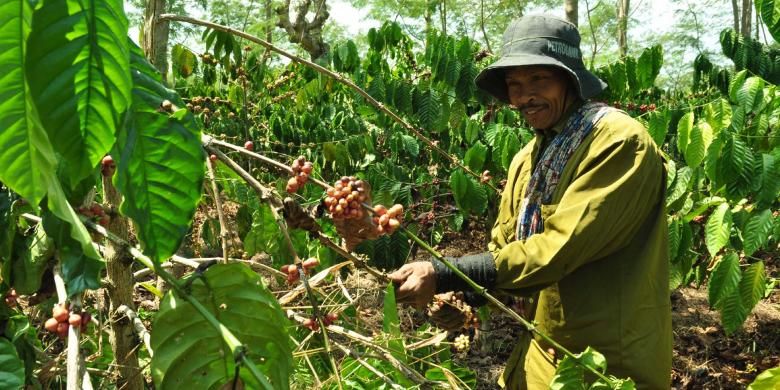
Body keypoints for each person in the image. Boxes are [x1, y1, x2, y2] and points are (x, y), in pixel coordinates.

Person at [381, 15, 672, 389]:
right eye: (514, 84)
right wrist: (464, 296)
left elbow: (558, 248)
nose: (523, 96)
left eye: (538, 79)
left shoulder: (617, 141)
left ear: (570, 79)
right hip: (537, 354)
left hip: (603, 363)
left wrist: (444, 272)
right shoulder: (527, 158)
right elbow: (507, 249)